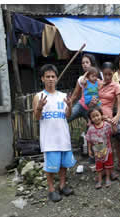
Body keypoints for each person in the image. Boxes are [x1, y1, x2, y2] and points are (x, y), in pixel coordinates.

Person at [33, 64, 76, 202]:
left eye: (53, 76)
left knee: (64, 164)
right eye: (47, 77)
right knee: (50, 166)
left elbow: (67, 115)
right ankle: (51, 189)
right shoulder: (38, 96)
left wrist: (69, 106)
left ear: (57, 78)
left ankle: (62, 185)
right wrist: (39, 108)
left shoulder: (63, 96)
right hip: (49, 138)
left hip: (63, 136)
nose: (50, 79)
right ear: (42, 79)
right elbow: (36, 117)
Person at [86, 107, 117, 188]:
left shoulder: (107, 125)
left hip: (107, 150)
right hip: (97, 152)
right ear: (91, 119)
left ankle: (107, 178)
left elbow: (114, 132)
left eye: (97, 115)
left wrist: (113, 125)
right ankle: (99, 180)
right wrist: (89, 150)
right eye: (93, 116)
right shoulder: (91, 129)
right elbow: (89, 140)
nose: (96, 118)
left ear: (101, 115)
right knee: (99, 167)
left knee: (108, 165)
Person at [69, 53, 100, 122]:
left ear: (92, 63)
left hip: (93, 107)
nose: (85, 64)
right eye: (83, 63)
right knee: (66, 118)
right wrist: (68, 104)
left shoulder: (99, 77)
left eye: (87, 62)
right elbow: (75, 95)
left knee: (92, 126)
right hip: (81, 105)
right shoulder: (81, 79)